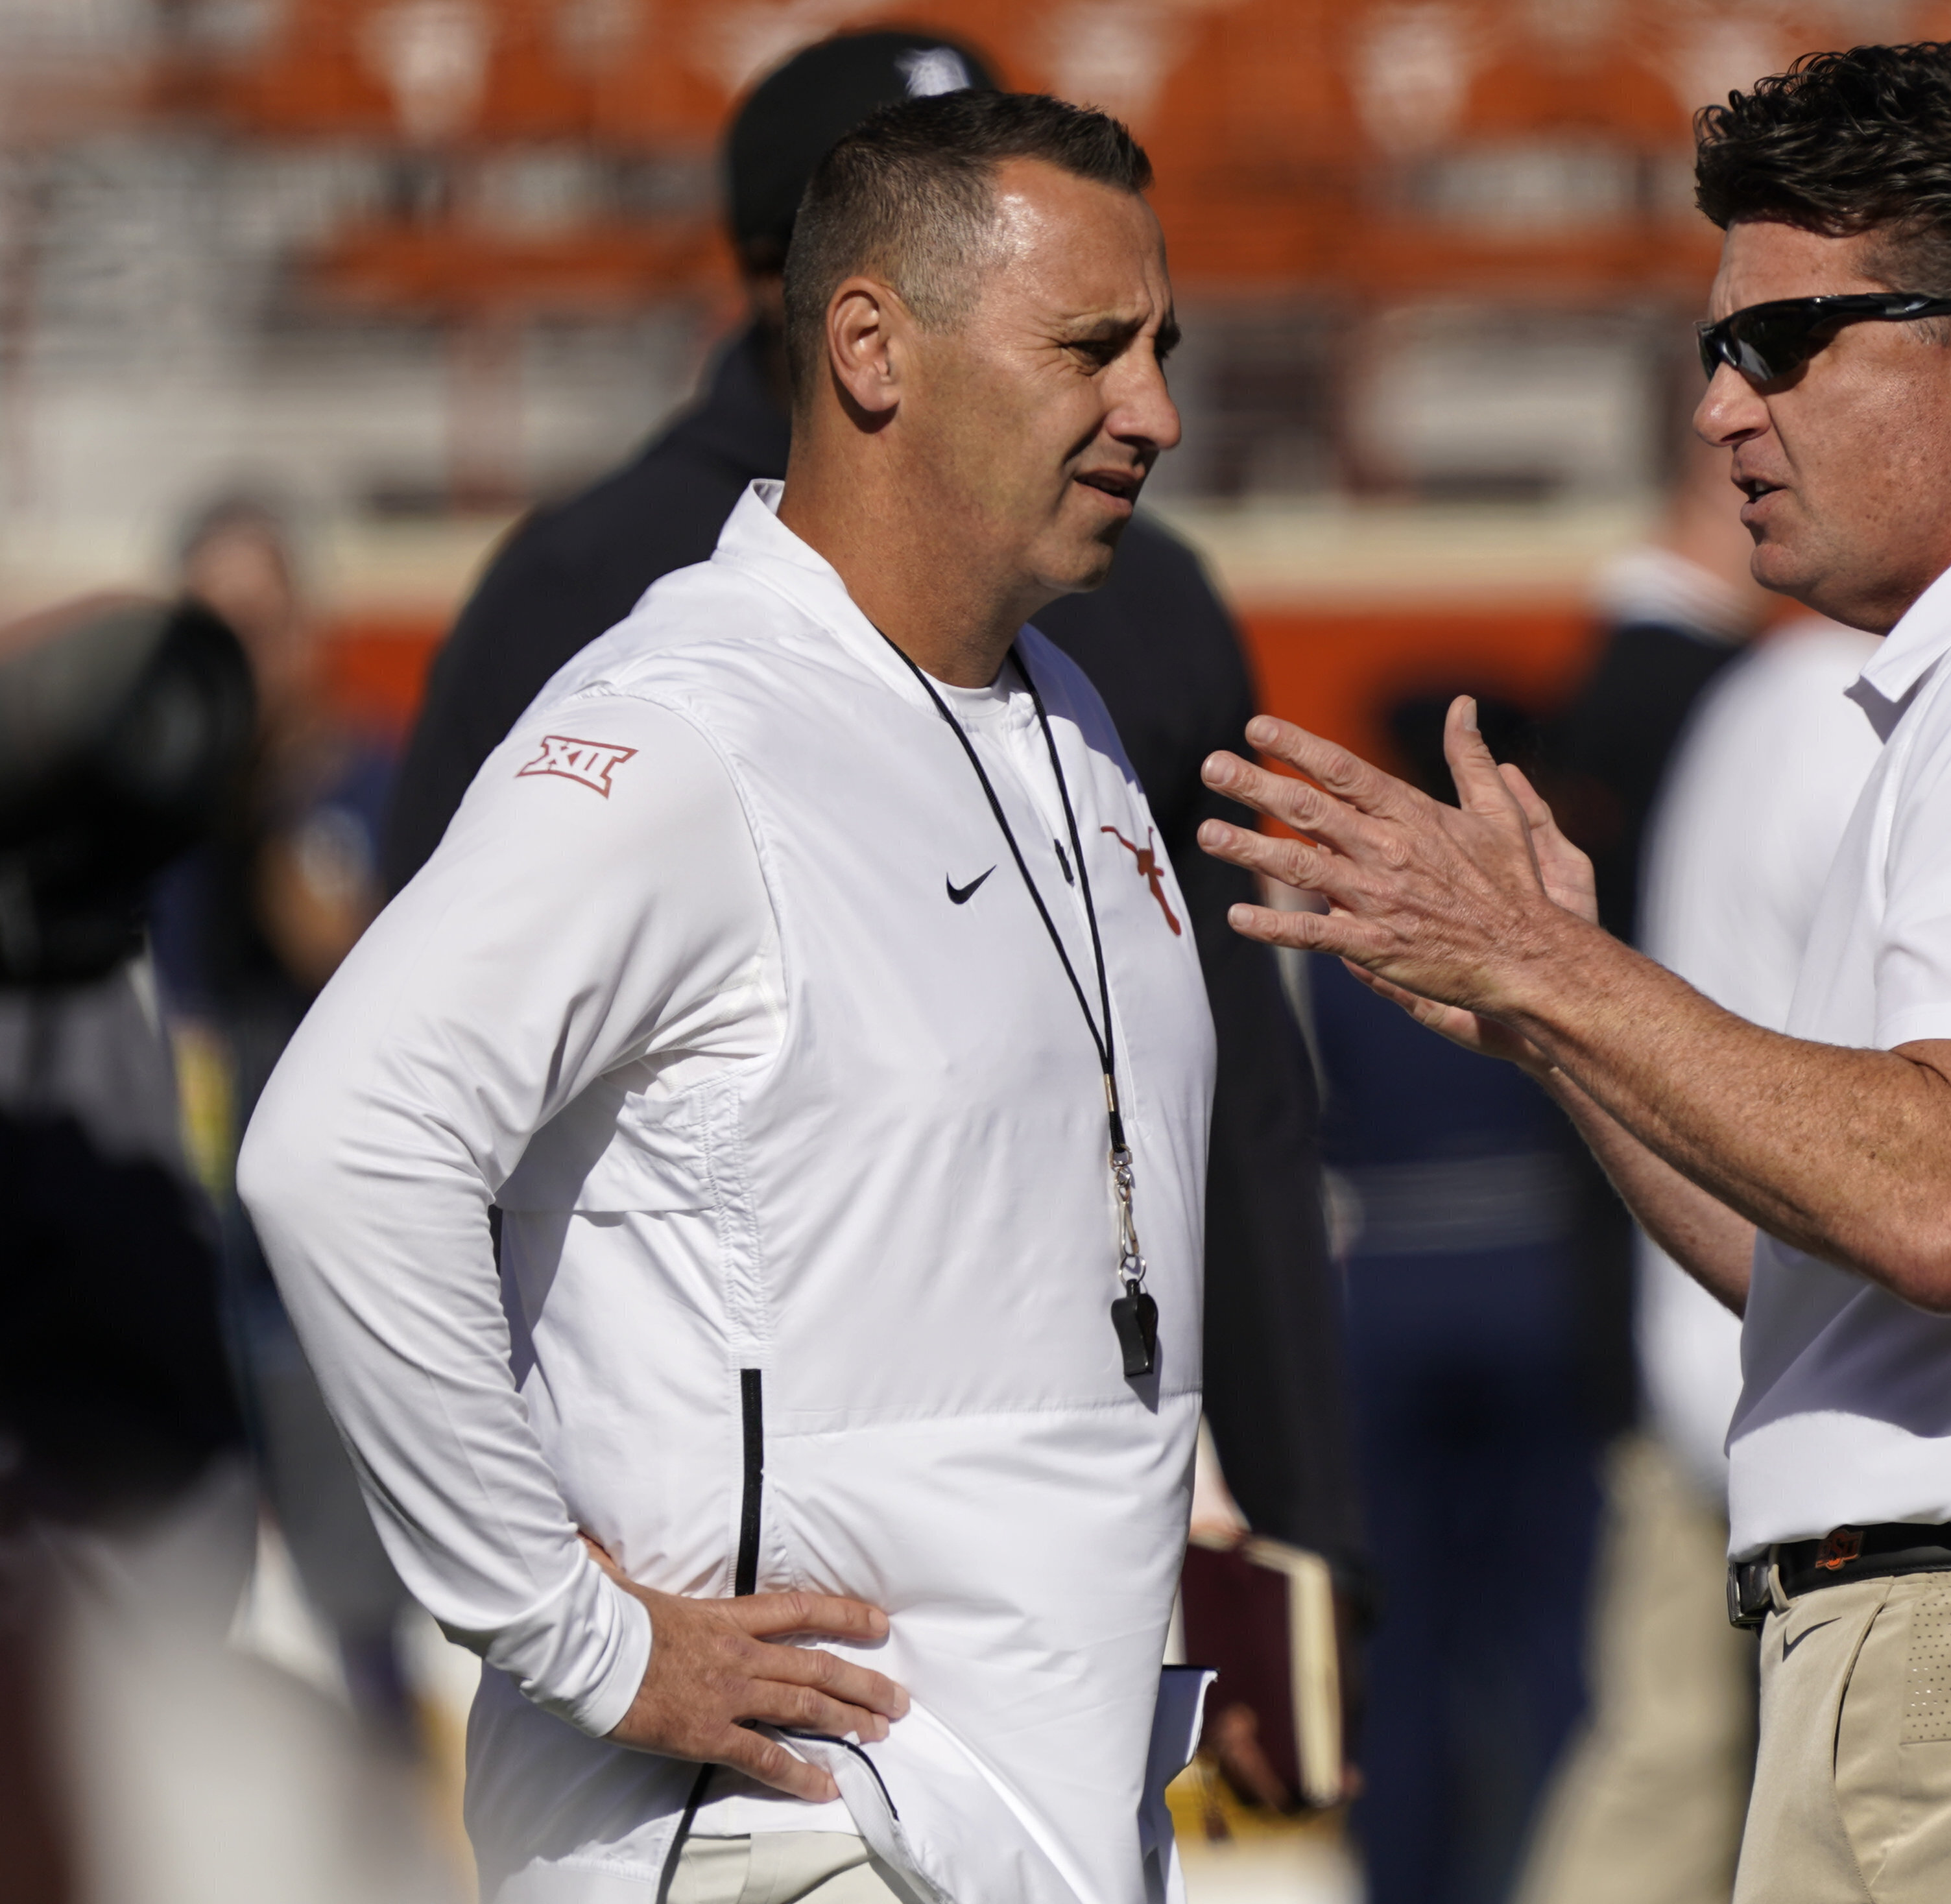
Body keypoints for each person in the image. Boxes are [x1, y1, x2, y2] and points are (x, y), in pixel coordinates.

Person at [1197, 42, 1951, 1903]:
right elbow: (1836, 1264)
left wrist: (1544, 965)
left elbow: (1936, 1193)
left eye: (1783, 344)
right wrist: (1553, 1012)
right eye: (1711, 354)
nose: (1725, 414)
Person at [241, 91, 1216, 1903]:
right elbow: (339, 1148)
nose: (1153, 408)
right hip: (789, 1835)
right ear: (870, 347)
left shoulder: (1062, 715)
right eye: (1092, 348)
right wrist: (585, 1640)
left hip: (1045, 1827)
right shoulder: (680, 730)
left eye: (1163, 348)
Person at [382, 29, 1356, 1575]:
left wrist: (1304, 1519)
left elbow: (1223, 1096)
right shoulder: (592, 597)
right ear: (849, 303)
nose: (1146, 413)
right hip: (756, 1675)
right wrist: (547, 1576)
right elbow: (406, 1120)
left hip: (1083, 1612)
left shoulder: (1136, 607)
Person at [1516, 608, 1881, 1904]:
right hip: (1818, 1360)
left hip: (1711, 1334)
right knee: (1789, 1773)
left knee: (1669, 1754)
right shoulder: (1866, 716)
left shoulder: (1756, 702)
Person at [1315, 692, 1604, 1904]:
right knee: (1546, 1633)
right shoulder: (1545, 916)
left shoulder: (1340, 924)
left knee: (1406, 1635)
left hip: (1384, 1291)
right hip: (1537, 1279)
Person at [150, 495, 420, 1734]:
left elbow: (353, 962)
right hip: (180, 1264)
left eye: (256, 626)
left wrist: (257, 806)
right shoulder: (153, 824)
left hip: (318, 1281)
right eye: (209, 633)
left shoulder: (370, 783)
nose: (237, 664)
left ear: (305, 632)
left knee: (361, 1622)